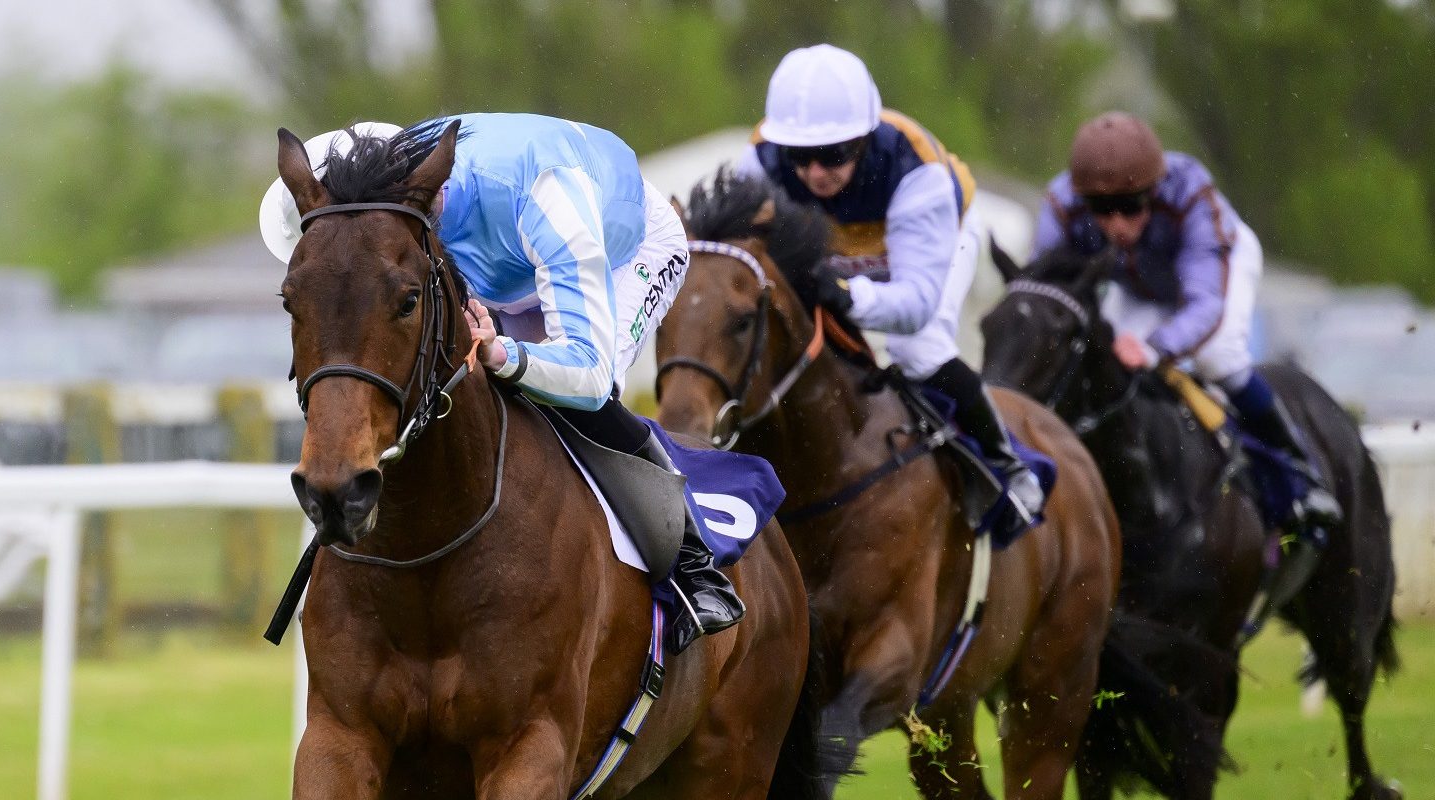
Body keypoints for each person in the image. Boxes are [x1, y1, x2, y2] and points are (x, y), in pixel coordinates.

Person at [260, 115, 743, 655]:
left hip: (621, 247)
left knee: (566, 397)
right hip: (506, 260)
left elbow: (584, 373)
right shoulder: (393, 198)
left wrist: (501, 352)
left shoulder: (544, 195)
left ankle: (692, 563)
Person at [737, 43, 1045, 525]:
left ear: (864, 139)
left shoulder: (916, 170)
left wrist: (848, 295)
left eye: (832, 155)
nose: (815, 172)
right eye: (800, 157)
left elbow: (916, 303)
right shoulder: (758, 161)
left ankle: (1007, 464)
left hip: (932, 239)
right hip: (838, 247)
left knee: (916, 347)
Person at [1037, 112, 1341, 530]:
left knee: (1217, 356)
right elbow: (1046, 294)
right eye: (1101, 210)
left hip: (1214, 270)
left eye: (1129, 207)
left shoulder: (1190, 193)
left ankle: (1301, 472)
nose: (1117, 225)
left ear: (1154, 191)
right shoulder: (1060, 203)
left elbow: (1204, 306)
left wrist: (1154, 347)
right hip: (1139, 286)